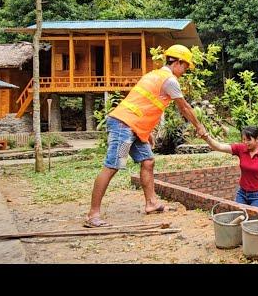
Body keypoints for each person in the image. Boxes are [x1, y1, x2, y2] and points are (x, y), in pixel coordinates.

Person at [85, 44, 208, 227]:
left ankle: (151, 203)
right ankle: (92, 215)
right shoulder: (170, 80)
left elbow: (145, 103)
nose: (185, 71)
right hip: (124, 125)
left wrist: (146, 132)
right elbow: (184, 107)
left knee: (148, 161)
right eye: (186, 67)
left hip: (134, 127)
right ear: (179, 62)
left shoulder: (154, 75)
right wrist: (199, 127)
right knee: (113, 165)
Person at [201, 125, 258, 208]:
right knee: (238, 215)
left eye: (248, 140)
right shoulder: (241, 148)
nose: (245, 142)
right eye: (243, 139)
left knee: (252, 219)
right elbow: (219, 147)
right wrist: (207, 138)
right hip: (242, 193)